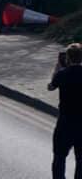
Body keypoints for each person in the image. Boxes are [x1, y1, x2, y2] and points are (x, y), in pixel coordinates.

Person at [48, 43, 82, 179]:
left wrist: (57, 68)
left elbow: (50, 87)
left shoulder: (62, 74)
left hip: (65, 123)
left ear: (67, 58)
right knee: (81, 160)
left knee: (59, 157)